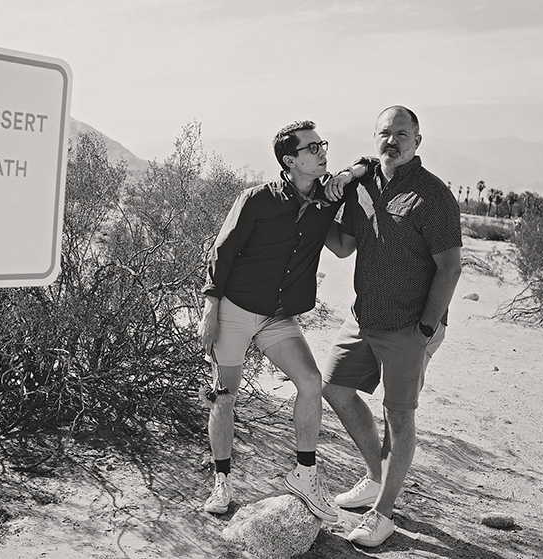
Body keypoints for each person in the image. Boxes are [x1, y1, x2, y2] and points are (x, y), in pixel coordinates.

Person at [198, 120, 356, 521]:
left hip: (278, 316)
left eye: (323, 144)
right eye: (312, 148)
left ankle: (305, 474)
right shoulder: (256, 199)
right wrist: (210, 309)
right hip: (234, 308)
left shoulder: (327, 197)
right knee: (224, 397)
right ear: (290, 160)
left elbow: (368, 166)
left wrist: (350, 175)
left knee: (310, 382)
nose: (322, 151)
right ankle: (221, 480)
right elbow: (222, 252)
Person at [322, 106, 463, 547]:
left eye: (403, 134)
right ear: (375, 137)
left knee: (398, 417)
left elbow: (451, 267)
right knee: (334, 388)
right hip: (363, 318)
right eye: (386, 133)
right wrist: (321, 208)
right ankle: (374, 476)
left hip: (408, 326)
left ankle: (383, 515)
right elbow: (344, 247)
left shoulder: (433, 196)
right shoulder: (362, 185)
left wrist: (424, 328)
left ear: (417, 141)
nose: (393, 141)